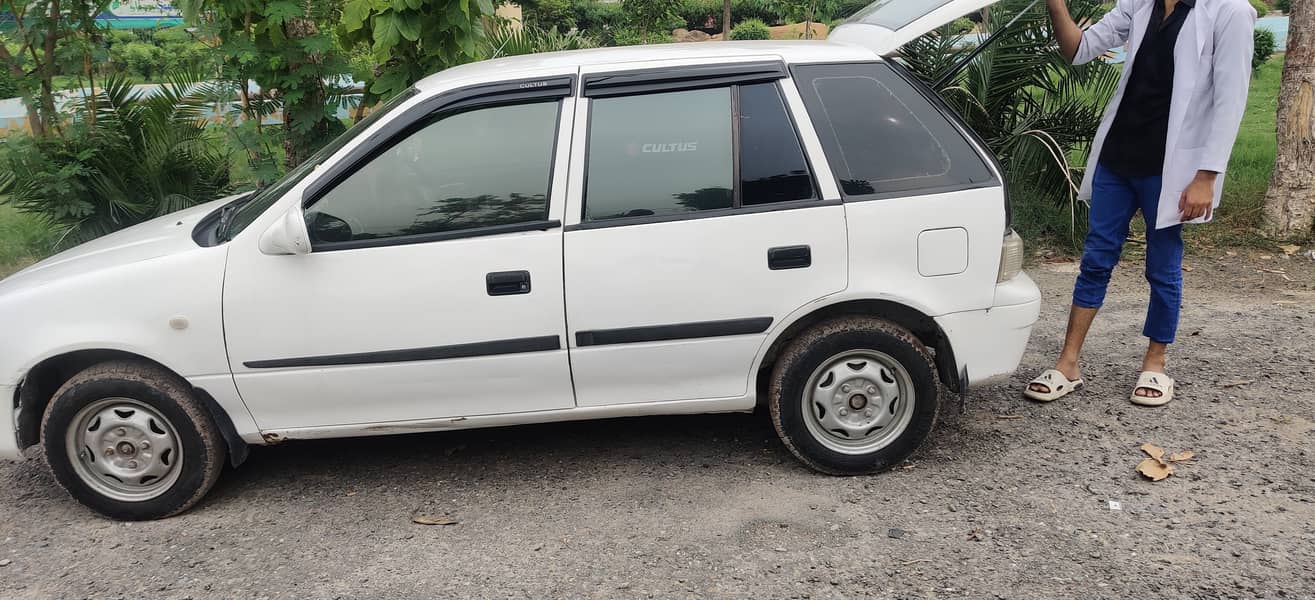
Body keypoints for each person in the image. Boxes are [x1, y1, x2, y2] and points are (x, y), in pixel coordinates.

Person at [1024, 0, 1256, 406]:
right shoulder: (1139, 3)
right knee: (1096, 259)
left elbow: (1231, 99)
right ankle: (1068, 364)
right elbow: (1079, 49)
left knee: (1162, 267)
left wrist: (1206, 175)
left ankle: (1155, 364)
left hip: (1170, 167)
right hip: (1119, 157)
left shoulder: (1230, 11)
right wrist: (1056, 5)